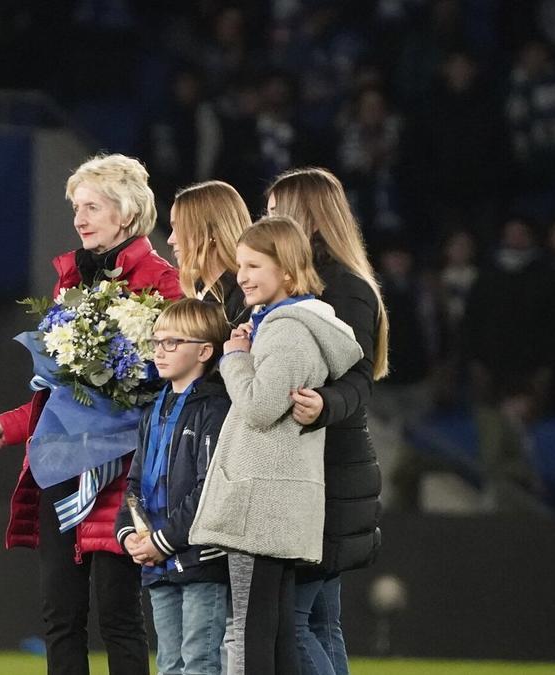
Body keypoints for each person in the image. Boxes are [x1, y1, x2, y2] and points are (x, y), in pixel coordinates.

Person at [0, 153, 179, 675]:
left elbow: (177, 382)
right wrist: (9, 426)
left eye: (91, 207)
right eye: (75, 208)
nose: (79, 219)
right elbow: (59, 391)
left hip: (124, 470)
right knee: (59, 616)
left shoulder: (164, 284)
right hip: (61, 464)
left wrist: (131, 376)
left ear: (126, 212)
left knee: (118, 614)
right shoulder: (70, 283)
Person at [190, 216, 362, 675]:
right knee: (277, 631)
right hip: (275, 497)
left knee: (253, 631)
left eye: (254, 266)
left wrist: (234, 358)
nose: (242, 276)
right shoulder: (290, 323)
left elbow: (260, 407)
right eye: (241, 265)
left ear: (286, 270)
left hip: (260, 501)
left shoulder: (288, 330)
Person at [266, 167, 390, 675]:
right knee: (319, 621)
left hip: (328, 470)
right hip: (318, 467)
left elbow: (359, 379)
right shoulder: (305, 282)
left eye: (276, 212)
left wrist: (324, 404)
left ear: (309, 217)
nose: (266, 222)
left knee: (292, 622)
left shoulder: (344, 287)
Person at [116, 299, 231, 675]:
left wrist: (162, 540)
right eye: (156, 342)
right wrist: (130, 534)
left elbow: (209, 488)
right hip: (158, 563)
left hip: (199, 559)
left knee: (199, 661)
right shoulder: (154, 410)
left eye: (172, 342)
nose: (160, 351)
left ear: (204, 351)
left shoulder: (215, 408)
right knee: (168, 663)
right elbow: (135, 482)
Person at [167, 180, 251, 326]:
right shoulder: (192, 292)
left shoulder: (245, 296)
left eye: (179, 228)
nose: (170, 240)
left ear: (210, 231)